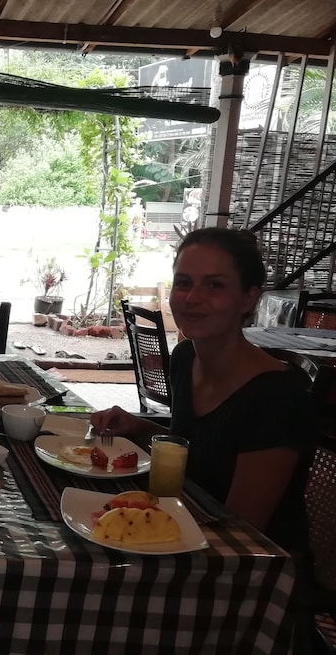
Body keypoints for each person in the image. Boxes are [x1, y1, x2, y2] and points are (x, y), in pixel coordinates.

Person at [91, 227, 314, 552]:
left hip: (258, 573)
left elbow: (243, 531)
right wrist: (140, 428)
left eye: (214, 285)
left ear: (248, 298)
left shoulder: (277, 396)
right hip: (190, 529)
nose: (192, 298)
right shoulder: (185, 358)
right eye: (183, 283)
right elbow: (200, 455)